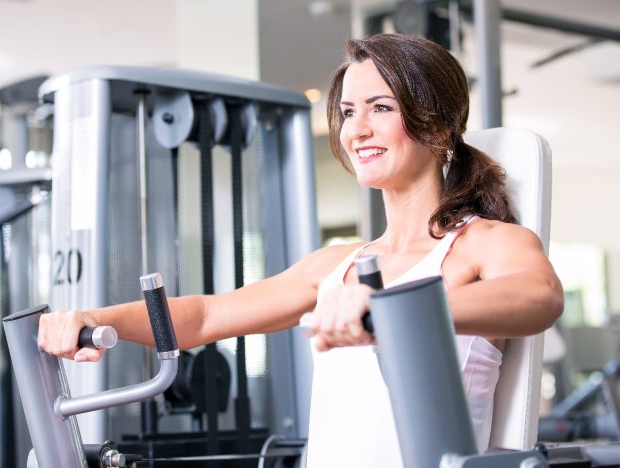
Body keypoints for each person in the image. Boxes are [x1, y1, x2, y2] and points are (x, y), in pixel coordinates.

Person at [38, 34, 563, 467]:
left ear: (438, 124)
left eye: (381, 108)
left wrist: (393, 310)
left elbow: (540, 297)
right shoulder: (335, 266)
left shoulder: (483, 244)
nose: (357, 129)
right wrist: (93, 317)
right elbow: (207, 315)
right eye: (349, 110)